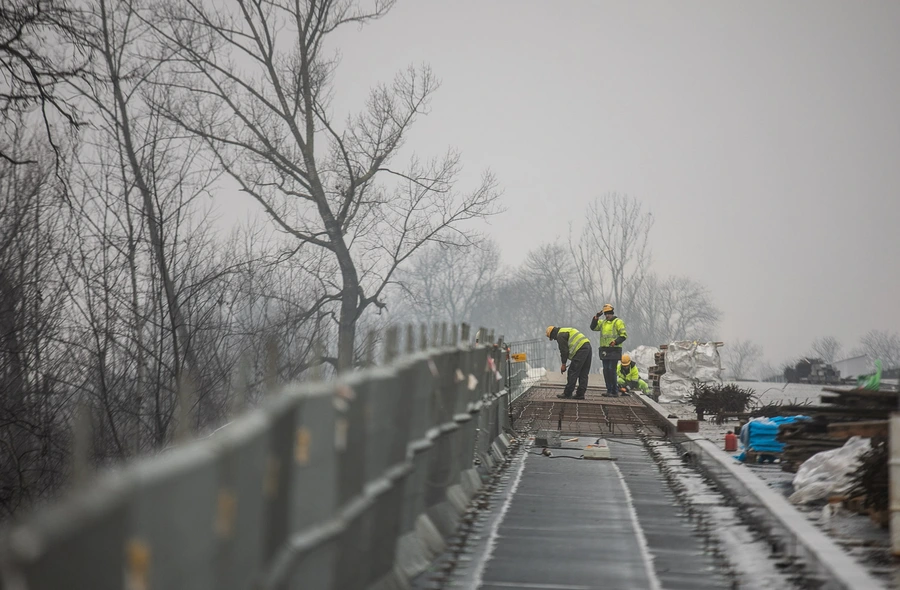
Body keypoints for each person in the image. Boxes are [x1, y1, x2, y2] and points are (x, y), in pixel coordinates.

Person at [545, 326, 592, 400]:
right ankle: (580, 394)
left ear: (553, 334)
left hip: (581, 349)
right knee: (583, 372)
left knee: (572, 371)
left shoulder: (560, 335)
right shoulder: (565, 330)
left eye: (553, 338)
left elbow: (564, 351)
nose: (554, 339)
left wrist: (563, 364)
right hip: (587, 346)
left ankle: (567, 393)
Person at [590, 303, 627, 396]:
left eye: (608, 313)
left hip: (614, 349)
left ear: (612, 313)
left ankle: (614, 391)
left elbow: (623, 335)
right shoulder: (603, 323)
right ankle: (609, 390)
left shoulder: (618, 322)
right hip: (604, 350)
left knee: (611, 369)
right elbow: (593, 327)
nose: (607, 315)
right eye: (605, 314)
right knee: (606, 370)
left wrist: (616, 342)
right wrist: (596, 317)